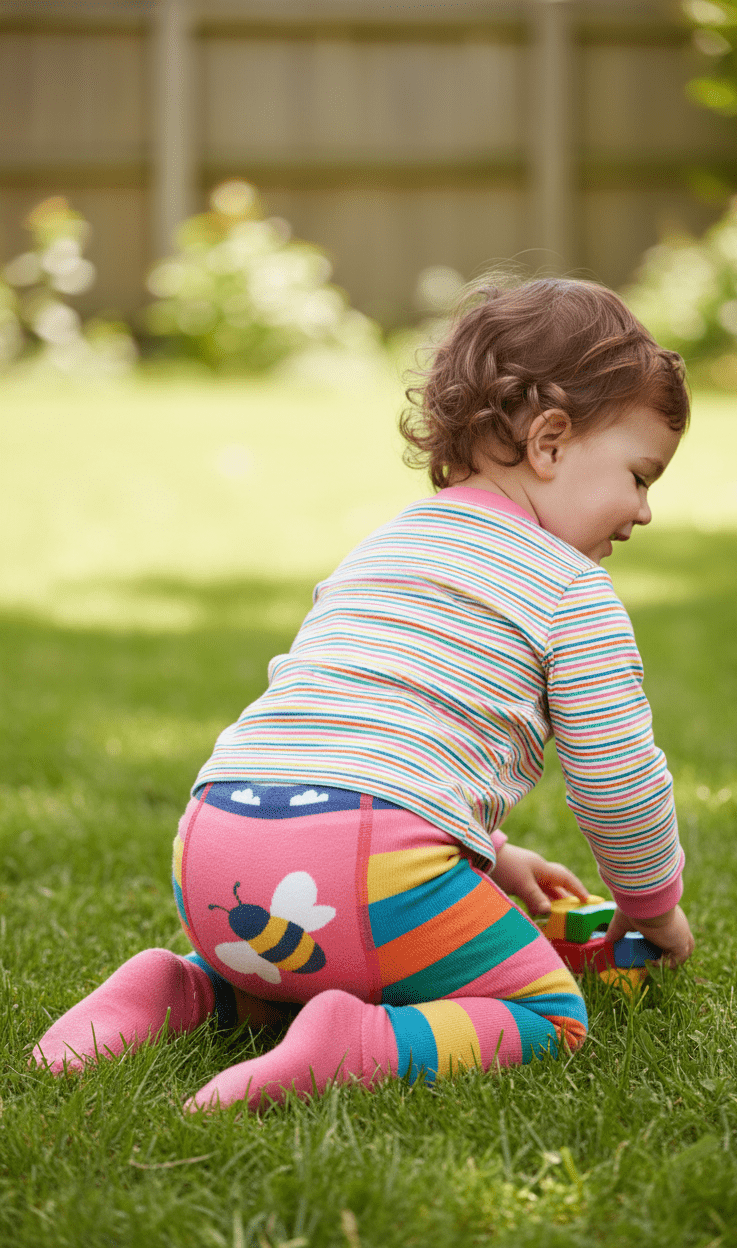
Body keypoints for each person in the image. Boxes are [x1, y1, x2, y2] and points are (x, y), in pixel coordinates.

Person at [33, 277, 695, 1111]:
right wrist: (650, 906)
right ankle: (354, 1042)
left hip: (215, 845)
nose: (643, 511)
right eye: (640, 476)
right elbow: (618, 778)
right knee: (545, 1013)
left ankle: (181, 985)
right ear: (551, 442)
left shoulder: (384, 545)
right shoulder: (572, 589)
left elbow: (366, 734)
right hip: (375, 859)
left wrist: (490, 857)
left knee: (320, 951)